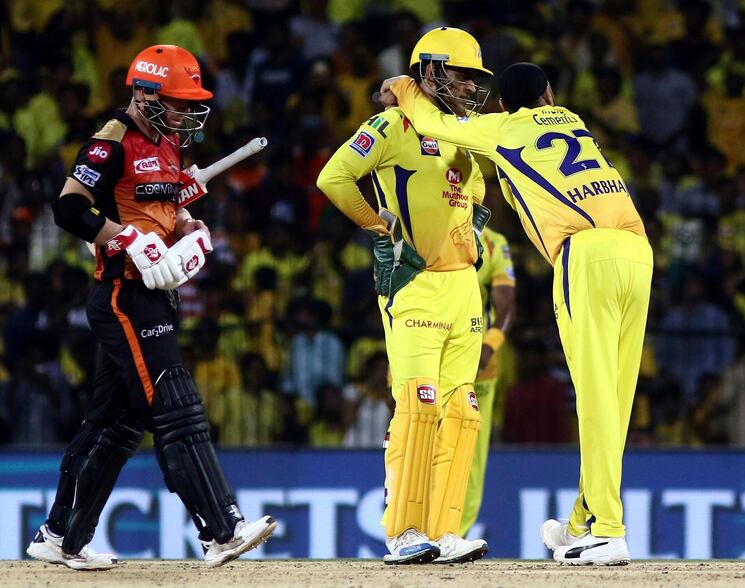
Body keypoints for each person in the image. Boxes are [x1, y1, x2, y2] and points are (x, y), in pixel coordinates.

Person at [383, 61, 653, 566]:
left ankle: (610, 530)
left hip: (586, 254)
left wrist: (401, 87)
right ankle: (582, 523)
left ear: (503, 103)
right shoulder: (572, 119)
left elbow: (433, 124)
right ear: (550, 93)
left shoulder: (503, 126)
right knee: (616, 399)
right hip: (638, 251)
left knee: (595, 399)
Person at [26, 45, 275, 570]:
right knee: (176, 405)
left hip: (154, 294)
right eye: (179, 102)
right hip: (123, 295)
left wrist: (190, 228)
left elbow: (167, 207)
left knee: (113, 427)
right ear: (144, 93)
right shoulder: (109, 142)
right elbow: (68, 209)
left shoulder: (168, 141)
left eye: (191, 104)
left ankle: (59, 537)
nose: (187, 112)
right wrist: (126, 241)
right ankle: (221, 530)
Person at [317, 27, 491, 565]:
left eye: (474, 79)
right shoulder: (391, 123)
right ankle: (403, 531)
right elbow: (335, 177)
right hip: (414, 283)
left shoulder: (462, 130)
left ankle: (445, 532)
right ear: (433, 72)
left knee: (462, 410)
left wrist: (475, 228)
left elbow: (478, 190)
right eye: (462, 76)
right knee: (419, 404)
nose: (470, 88)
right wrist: (380, 227)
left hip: (464, 285)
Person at [460, 225, 516, 536]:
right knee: (422, 439)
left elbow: (506, 304)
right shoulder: (429, 225)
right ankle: (412, 529)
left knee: (472, 457)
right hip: (434, 352)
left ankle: (456, 534)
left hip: (480, 365)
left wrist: (489, 345)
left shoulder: (494, 242)